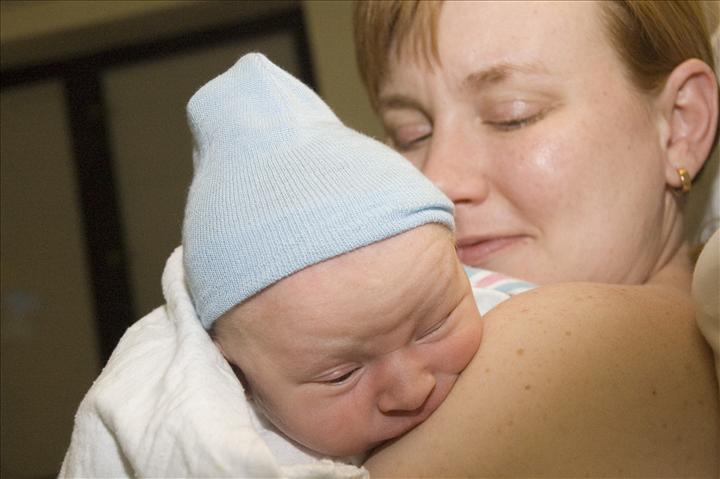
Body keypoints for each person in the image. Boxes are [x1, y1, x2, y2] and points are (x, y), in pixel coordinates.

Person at [352, 0, 719, 476]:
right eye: (411, 134)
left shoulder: (565, 350)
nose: (437, 179)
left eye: (513, 115)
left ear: (681, 125)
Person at [183, 53, 531, 461]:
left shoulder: (524, 314)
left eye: (434, 327)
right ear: (238, 377)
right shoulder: (219, 449)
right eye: (341, 375)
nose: (411, 390)